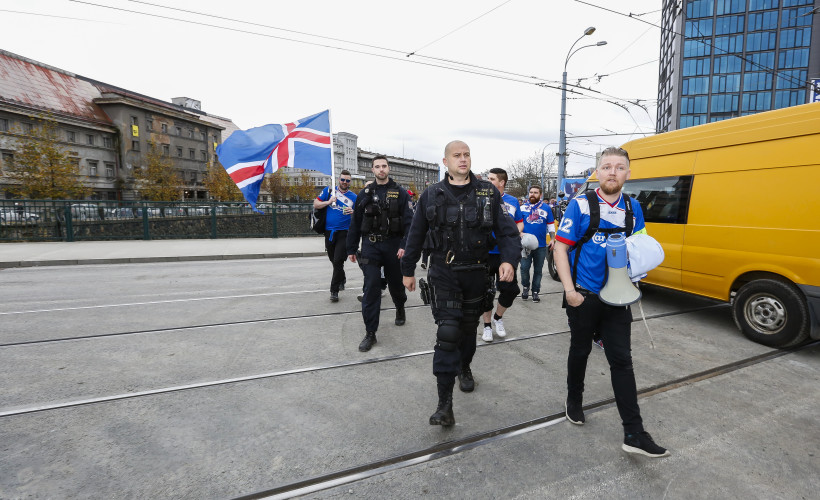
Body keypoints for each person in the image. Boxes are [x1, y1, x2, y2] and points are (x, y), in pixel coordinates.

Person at [553, 146, 669, 458]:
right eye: (606, 167)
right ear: (597, 172)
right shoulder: (579, 205)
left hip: (619, 299)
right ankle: (574, 399)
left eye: (619, 167)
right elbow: (560, 249)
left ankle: (634, 432)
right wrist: (569, 291)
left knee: (622, 361)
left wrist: (637, 276)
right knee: (580, 351)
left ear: (628, 173)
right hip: (584, 296)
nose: (612, 172)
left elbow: (641, 247)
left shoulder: (633, 208)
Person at [402, 140, 521, 426]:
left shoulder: (488, 192)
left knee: (468, 333)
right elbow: (415, 234)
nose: (463, 159)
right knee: (448, 332)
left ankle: (464, 366)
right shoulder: (431, 194)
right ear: (446, 161)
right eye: (457, 155)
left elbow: (507, 233)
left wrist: (508, 261)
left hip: (477, 272)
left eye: (466, 155)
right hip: (444, 271)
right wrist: (407, 270)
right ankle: (444, 405)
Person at [347, 155, 413, 352]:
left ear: (388, 168)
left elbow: (410, 223)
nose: (381, 169)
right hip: (370, 246)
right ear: (372, 170)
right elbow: (356, 223)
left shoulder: (401, 193)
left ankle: (400, 307)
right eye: (377, 166)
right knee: (371, 288)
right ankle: (370, 333)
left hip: (393, 246)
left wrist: (404, 245)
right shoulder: (364, 194)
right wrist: (351, 248)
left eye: (384, 166)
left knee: (396, 285)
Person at [481, 167, 523, 342]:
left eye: (491, 179)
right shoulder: (480, 198)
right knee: (484, 291)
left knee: (510, 290)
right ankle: (487, 326)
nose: (488, 181)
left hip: (505, 254)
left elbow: (520, 223)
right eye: (487, 178)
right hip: (484, 253)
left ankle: (498, 317)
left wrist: (514, 235)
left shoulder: (512, 201)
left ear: (501, 182)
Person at [314, 170, 356, 302]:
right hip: (329, 232)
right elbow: (316, 204)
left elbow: (361, 215)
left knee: (338, 260)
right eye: (343, 179)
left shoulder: (354, 197)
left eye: (347, 180)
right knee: (334, 261)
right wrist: (328, 201)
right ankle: (341, 277)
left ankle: (334, 290)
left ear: (350, 182)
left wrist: (353, 211)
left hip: (344, 232)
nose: (345, 182)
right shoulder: (329, 191)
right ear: (339, 180)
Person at [520, 184, 555, 303]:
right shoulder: (522, 208)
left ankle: (535, 291)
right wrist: (519, 234)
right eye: (531, 192)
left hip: (540, 245)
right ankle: (525, 287)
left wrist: (552, 239)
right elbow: (517, 223)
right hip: (525, 245)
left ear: (540, 195)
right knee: (524, 268)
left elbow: (550, 225)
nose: (532, 194)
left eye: (535, 192)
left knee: (538, 270)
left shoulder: (546, 208)